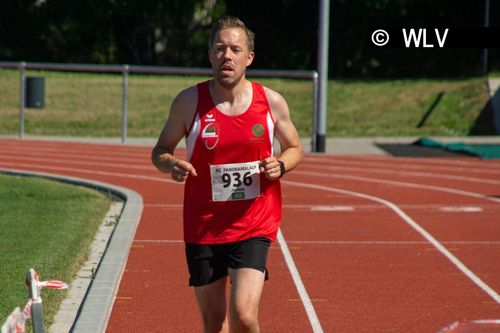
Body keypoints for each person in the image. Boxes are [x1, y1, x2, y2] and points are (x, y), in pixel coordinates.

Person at [151, 15, 303, 333]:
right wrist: (171, 164)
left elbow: (295, 148)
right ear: (210, 55)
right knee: (214, 322)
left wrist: (282, 164)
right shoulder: (188, 102)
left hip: (254, 223)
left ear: (249, 57)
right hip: (203, 226)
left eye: (235, 49)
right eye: (220, 48)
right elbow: (160, 150)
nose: (227, 56)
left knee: (244, 316)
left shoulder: (271, 102)